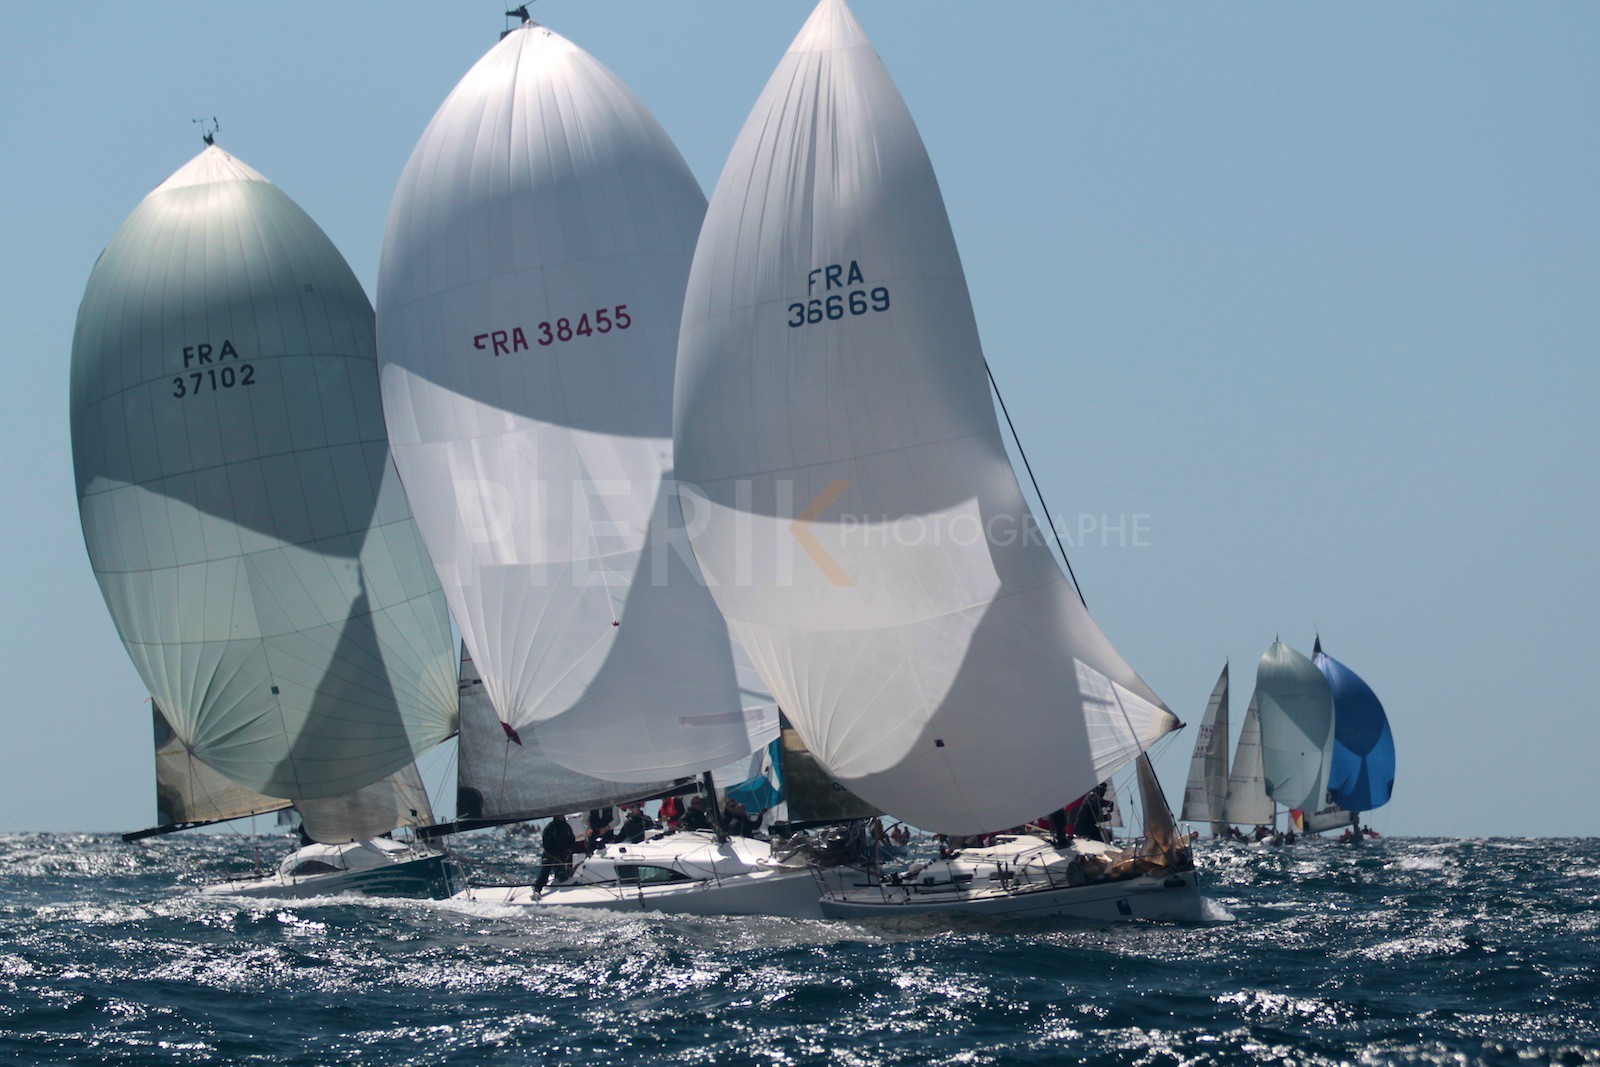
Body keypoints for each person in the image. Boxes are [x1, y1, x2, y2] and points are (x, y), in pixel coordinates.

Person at [533, 816, 577, 894]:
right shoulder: (550, 827)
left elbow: (572, 840)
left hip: (562, 856)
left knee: (562, 874)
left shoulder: (566, 827)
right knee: (545, 872)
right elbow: (546, 843)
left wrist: (568, 851)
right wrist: (554, 854)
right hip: (550, 855)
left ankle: (561, 886)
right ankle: (537, 890)